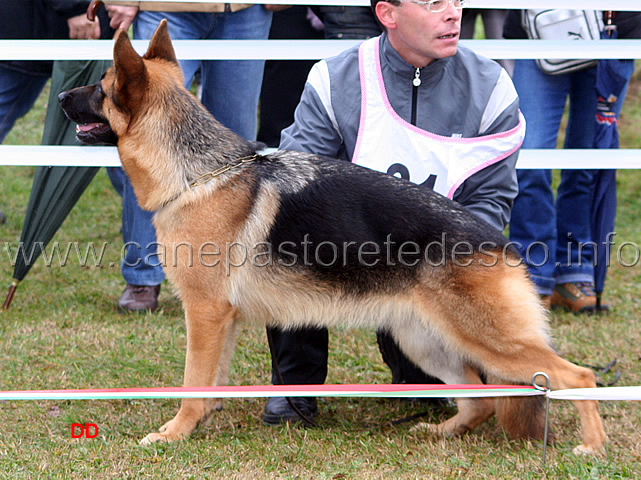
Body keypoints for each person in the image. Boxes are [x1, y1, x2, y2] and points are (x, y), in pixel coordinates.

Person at [264, 0, 525, 424]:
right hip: (344, 247)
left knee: (424, 390)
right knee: (287, 244)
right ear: (388, 14)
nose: (453, 14)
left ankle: (425, 379)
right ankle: (295, 388)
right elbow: (295, 183)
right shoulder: (334, 77)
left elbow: (491, 202)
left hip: (433, 260)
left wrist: (444, 266)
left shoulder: (492, 85)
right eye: (434, 3)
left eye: (457, 1)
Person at [104, 4, 274, 312]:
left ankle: (229, 267)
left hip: (247, 9)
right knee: (147, 140)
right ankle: (143, 277)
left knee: (235, 143)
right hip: (166, 5)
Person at [504, 10, 641, 314]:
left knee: (588, 163)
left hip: (613, 30)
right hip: (540, 25)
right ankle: (533, 273)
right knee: (530, 158)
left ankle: (574, 271)